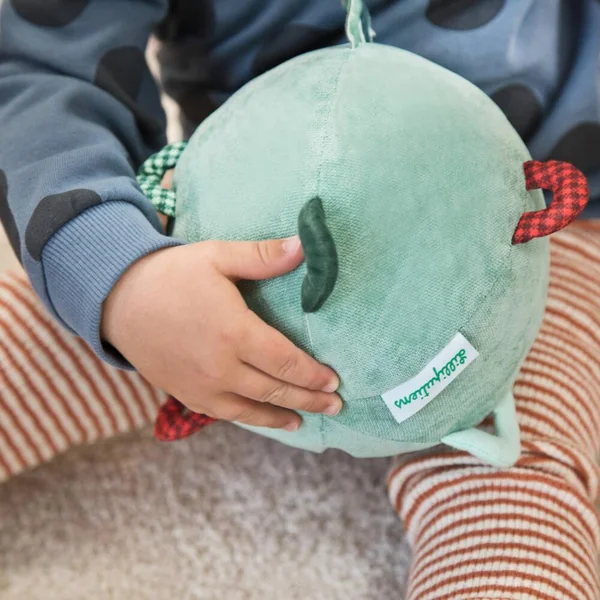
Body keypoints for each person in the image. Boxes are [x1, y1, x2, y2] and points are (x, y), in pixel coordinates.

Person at [1, 1, 599, 598]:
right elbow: (38, 67)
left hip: (530, 235)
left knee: (520, 485)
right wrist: (121, 276)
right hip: (225, 233)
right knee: (46, 324)